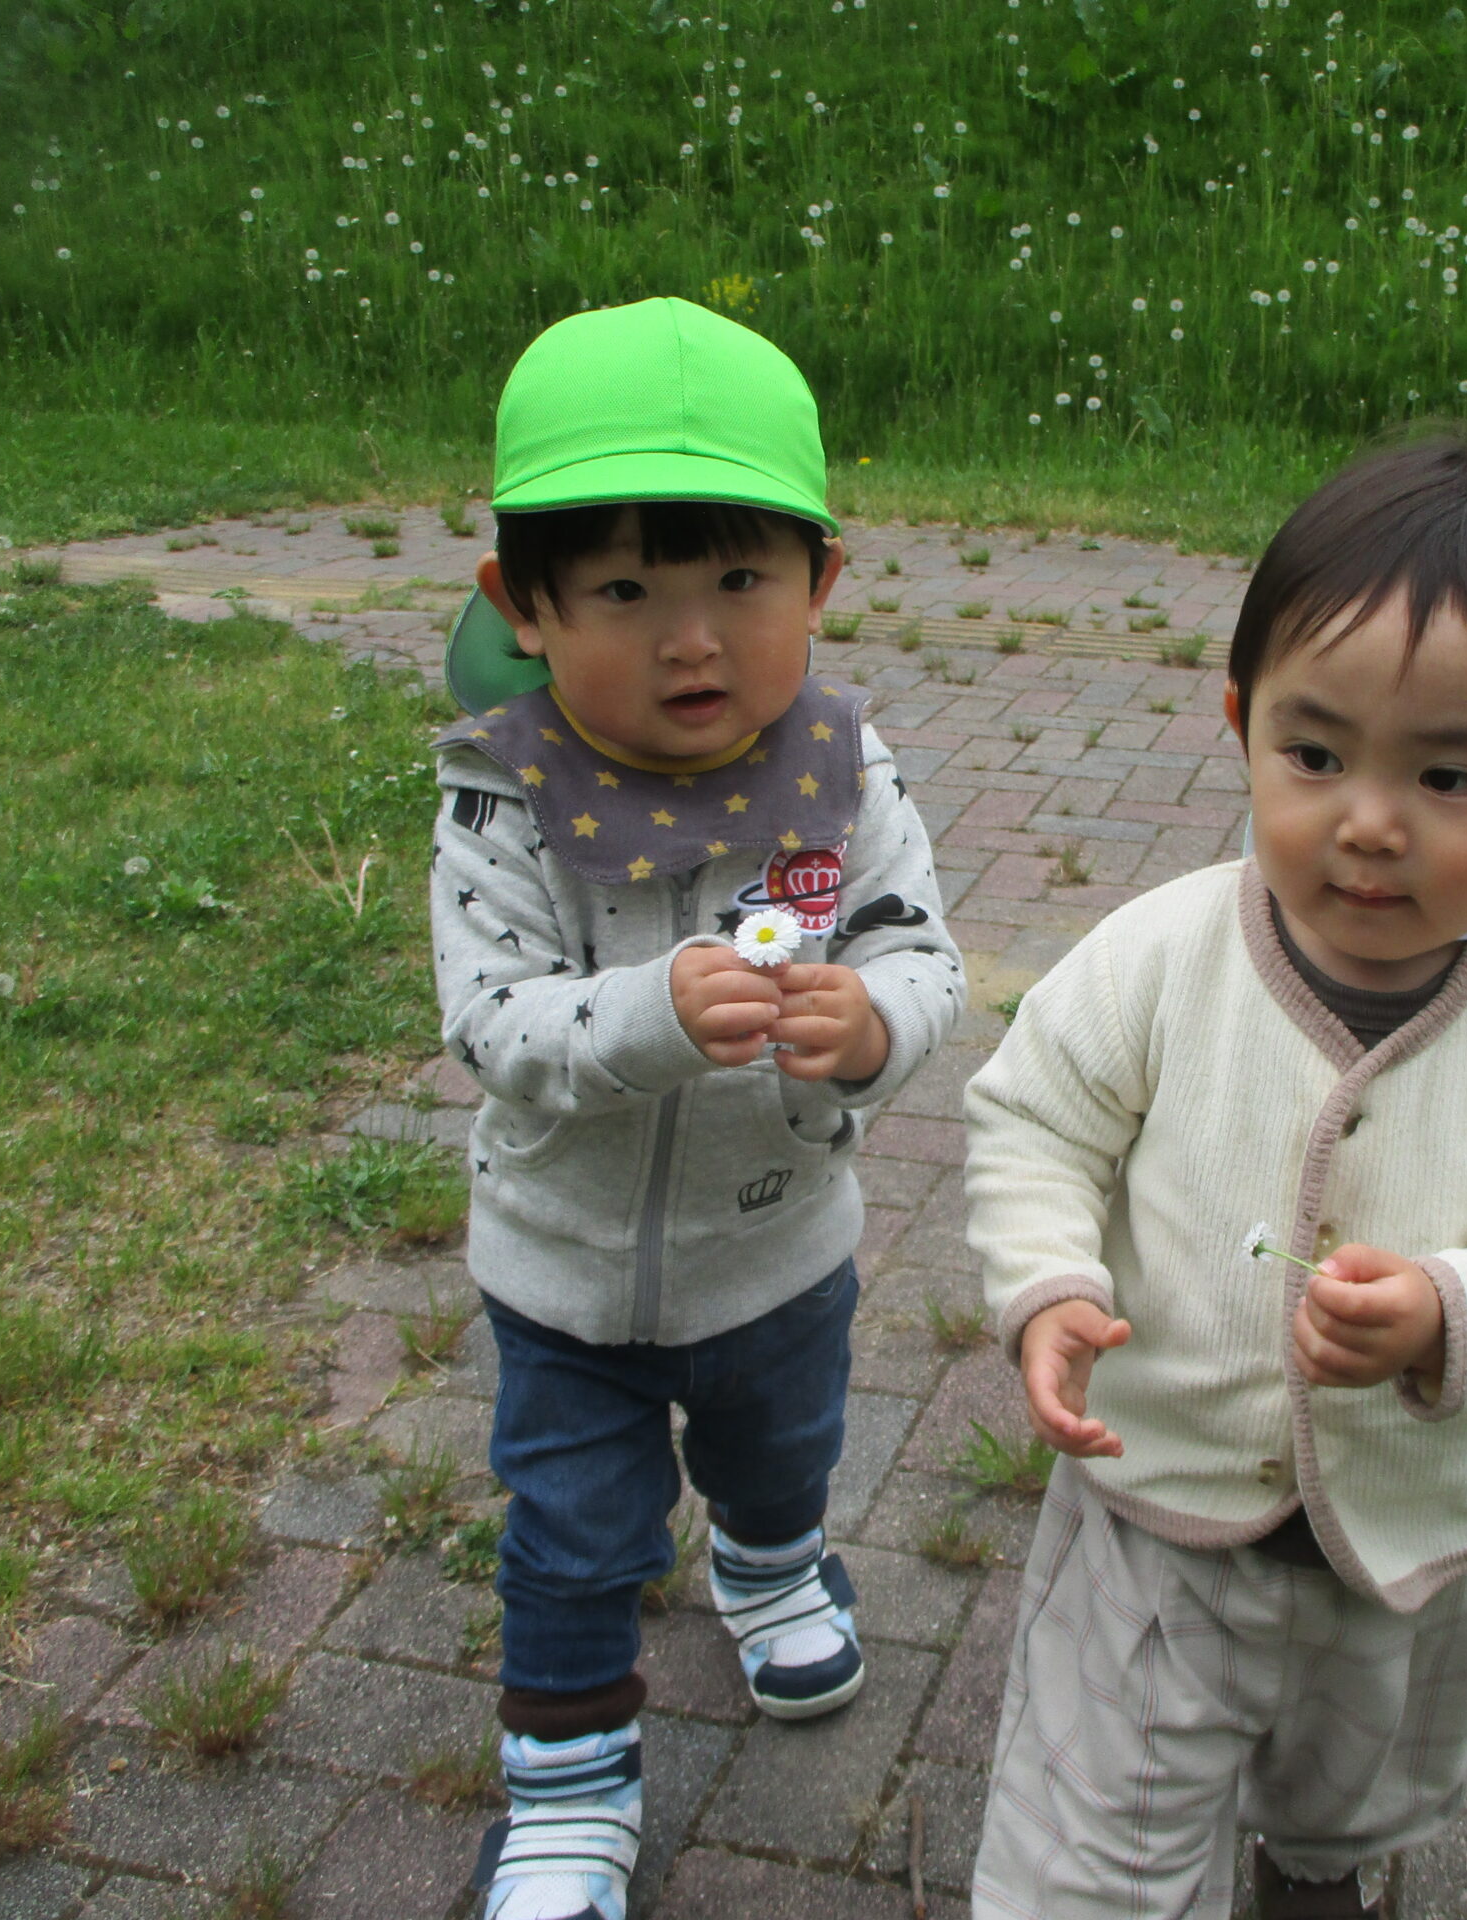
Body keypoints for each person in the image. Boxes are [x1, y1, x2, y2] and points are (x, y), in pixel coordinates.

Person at [962, 430, 1467, 1920]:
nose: (1368, 820)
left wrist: (1453, 1308)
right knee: (1093, 1859)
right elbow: (1038, 1119)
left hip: (1414, 1554)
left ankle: (1319, 1868)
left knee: (1359, 1797)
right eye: (1315, 754)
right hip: (1159, 1525)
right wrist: (1048, 1285)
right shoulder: (1162, 954)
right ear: (1241, 723)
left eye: (1452, 775)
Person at [429, 297, 964, 1920]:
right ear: (522, 605)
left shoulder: (841, 778)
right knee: (574, 1538)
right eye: (623, 593)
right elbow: (490, 1018)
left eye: (741, 583)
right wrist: (649, 1017)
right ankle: (570, 1790)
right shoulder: (503, 795)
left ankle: (772, 1563)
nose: (692, 642)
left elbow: (919, 953)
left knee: (783, 1451)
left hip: (779, 1250)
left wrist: (872, 1025)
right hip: (564, 1273)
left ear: (822, 580)